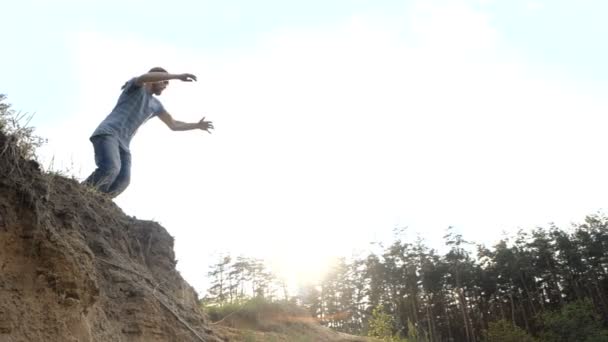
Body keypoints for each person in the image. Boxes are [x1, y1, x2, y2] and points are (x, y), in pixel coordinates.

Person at [83, 67, 214, 197]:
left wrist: (196, 125)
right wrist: (177, 76)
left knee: (123, 180)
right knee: (111, 169)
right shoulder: (135, 86)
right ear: (154, 78)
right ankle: (81, 193)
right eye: (164, 81)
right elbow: (145, 77)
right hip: (108, 134)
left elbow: (173, 124)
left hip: (124, 144)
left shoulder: (157, 105)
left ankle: (98, 203)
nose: (166, 85)